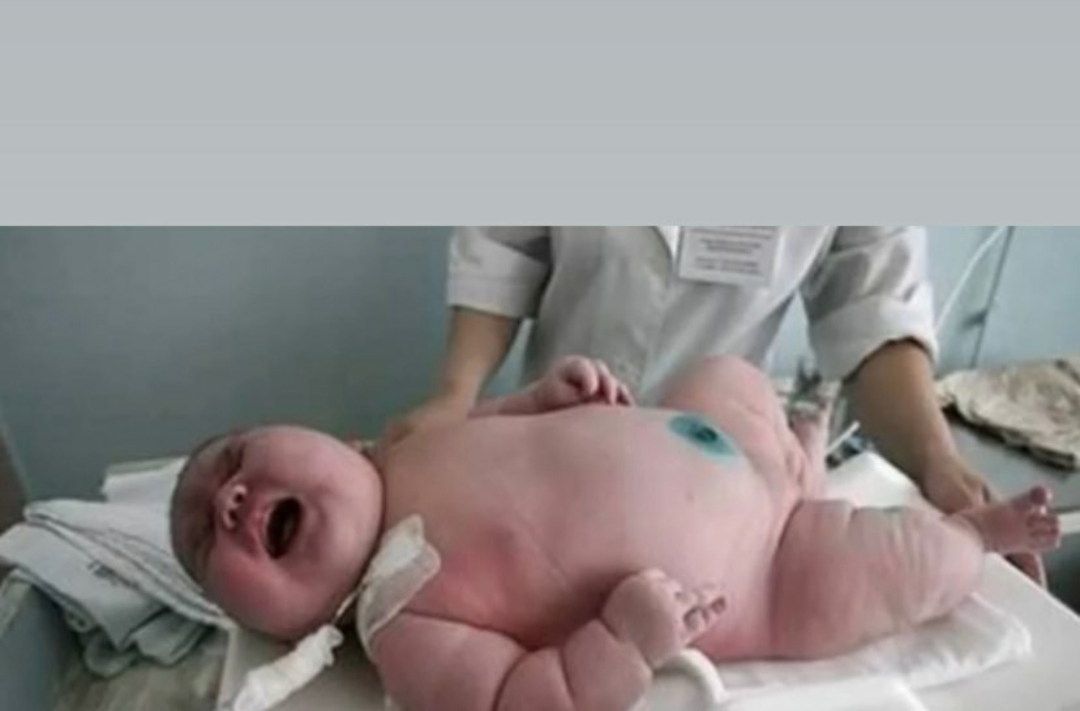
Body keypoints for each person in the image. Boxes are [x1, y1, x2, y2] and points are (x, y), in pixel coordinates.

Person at [170, 354, 1060, 711]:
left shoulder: (409, 447)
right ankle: (971, 536)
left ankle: (796, 456)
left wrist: (546, 397)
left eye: (236, 457)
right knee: (899, 563)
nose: (231, 499)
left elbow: (502, 428)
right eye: (210, 539)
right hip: (767, 568)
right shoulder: (404, 616)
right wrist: (620, 642)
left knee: (722, 370)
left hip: (707, 433)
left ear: (331, 439)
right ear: (282, 628)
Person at [381, 227, 1041, 577]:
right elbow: (502, 249)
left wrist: (939, 463)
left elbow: (875, 314)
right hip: (557, 449)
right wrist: (455, 396)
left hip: (725, 480)